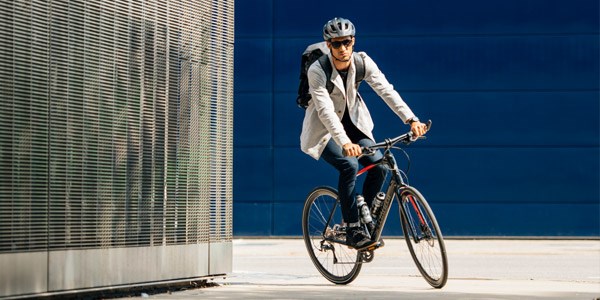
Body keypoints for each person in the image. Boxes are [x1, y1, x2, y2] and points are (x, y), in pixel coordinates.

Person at [300, 17, 428, 249]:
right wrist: (345, 142)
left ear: (353, 41)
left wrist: (411, 119)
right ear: (328, 45)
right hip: (325, 132)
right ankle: (352, 229)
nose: (342, 48)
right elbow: (326, 111)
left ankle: (364, 221)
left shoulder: (362, 62)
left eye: (346, 42)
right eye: (336, 44)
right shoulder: (317, 70)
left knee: (379, 166)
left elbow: (386, 91)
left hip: (354, 124)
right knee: (349, 165)